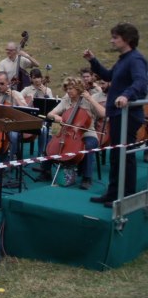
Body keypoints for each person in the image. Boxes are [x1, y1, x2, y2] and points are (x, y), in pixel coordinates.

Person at [84, 22, 147, 206]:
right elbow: (108, 76)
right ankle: (113, 193)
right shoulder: (123, 59)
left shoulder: (135, 59)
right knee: (116, 155)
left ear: (126, 39)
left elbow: (141, 82)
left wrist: (126, 95)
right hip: (118, 115)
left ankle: (125, 195)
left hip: (128, 115)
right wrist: (93, 61)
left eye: (115, 37)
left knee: (125, 156)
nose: (112, 41)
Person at [43, 76, 105, 190]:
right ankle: (45, 171)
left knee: (87, 146)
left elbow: (103, 114)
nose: (68, 91)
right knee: (51, 142)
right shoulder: (66, 100)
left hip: (87, 134)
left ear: (78, 88)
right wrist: (55, 116)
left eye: (71, 88)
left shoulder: (88, 100)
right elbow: (50, 114)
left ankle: (87, 178)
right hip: (68, 133)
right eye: (67, 89)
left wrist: (90, 99)